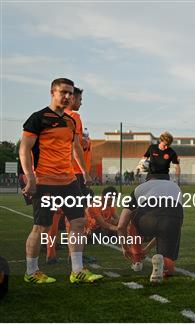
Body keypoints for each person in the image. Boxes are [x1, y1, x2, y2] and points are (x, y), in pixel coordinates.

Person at [19, 77, 102, 284]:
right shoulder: (37, 118)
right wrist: (30, 178)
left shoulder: (71, 121)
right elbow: (24, 149)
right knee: (41, 227)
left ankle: (77, 270)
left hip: (68, 181)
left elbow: (75, 149)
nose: (67, 97)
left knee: (79, 221)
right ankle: (31, 272)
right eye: (63, 92)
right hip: (45, 180)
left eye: (70, 93)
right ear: (52, 92)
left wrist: (84, 172)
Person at [117, 174, 184, 283]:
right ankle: (164, 265)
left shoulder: (140, 188)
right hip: (170, 224)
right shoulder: (176, 188)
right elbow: (178, 222)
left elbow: (121, 225)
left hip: (147, 222)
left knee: (132, 221)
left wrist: (125, 247)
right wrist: (148, 248)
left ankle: (136, 260)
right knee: (169, 268)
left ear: (148, 178)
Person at [65, 86, 92, 195]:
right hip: (75, 171)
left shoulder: (58, 116)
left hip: (61, 170)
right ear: (72, 99)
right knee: (77, 209)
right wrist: (85, 172)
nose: (81, 103)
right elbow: (75, 146)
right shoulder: (73, 117)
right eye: (80, 99)